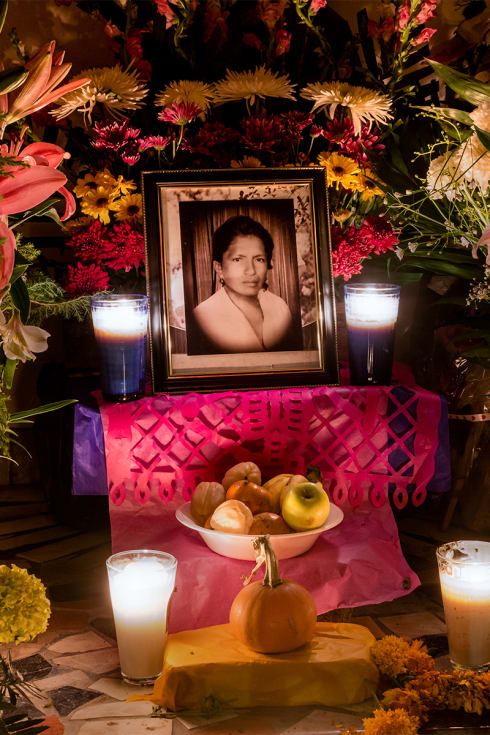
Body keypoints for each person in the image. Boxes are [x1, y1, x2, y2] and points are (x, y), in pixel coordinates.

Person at [191, 215, 300, 354]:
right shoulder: (201, 317)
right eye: (238, 259)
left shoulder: (280, 306)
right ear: (219, 268)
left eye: (259, 259)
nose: (251, 271)